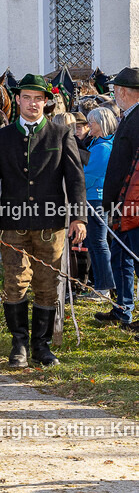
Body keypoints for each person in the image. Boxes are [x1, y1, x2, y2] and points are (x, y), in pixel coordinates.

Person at [0, 74, 87, 368]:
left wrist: (78, 217)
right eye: (27, 97)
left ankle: (42, 345)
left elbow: (75, 179)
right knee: (15, 283)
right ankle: (19, 344)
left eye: (38, 98)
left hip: (52, 226)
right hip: (13, 225)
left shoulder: (60, 134)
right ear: (17, 100)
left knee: (48, 285)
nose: (33, 103)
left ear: (46, 102)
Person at [97, 68, 139, 327]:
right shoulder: (129, 117)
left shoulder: (138, 118)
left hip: (133, 204)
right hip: (121, 203)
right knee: (120, 256)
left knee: (135, 257)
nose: (114, 94)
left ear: (123, 92)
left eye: (115, 90)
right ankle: (123, 309)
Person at [82, 107, 117, 302]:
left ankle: (105, 288)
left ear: (101, 124)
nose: (88, 126)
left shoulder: (103, 148)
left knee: (98, 243)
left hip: (95, 198)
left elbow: (89, 175)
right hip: (92, 197)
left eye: (91, 122)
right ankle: (101, 286)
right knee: (94, 243)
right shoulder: (97, 143)